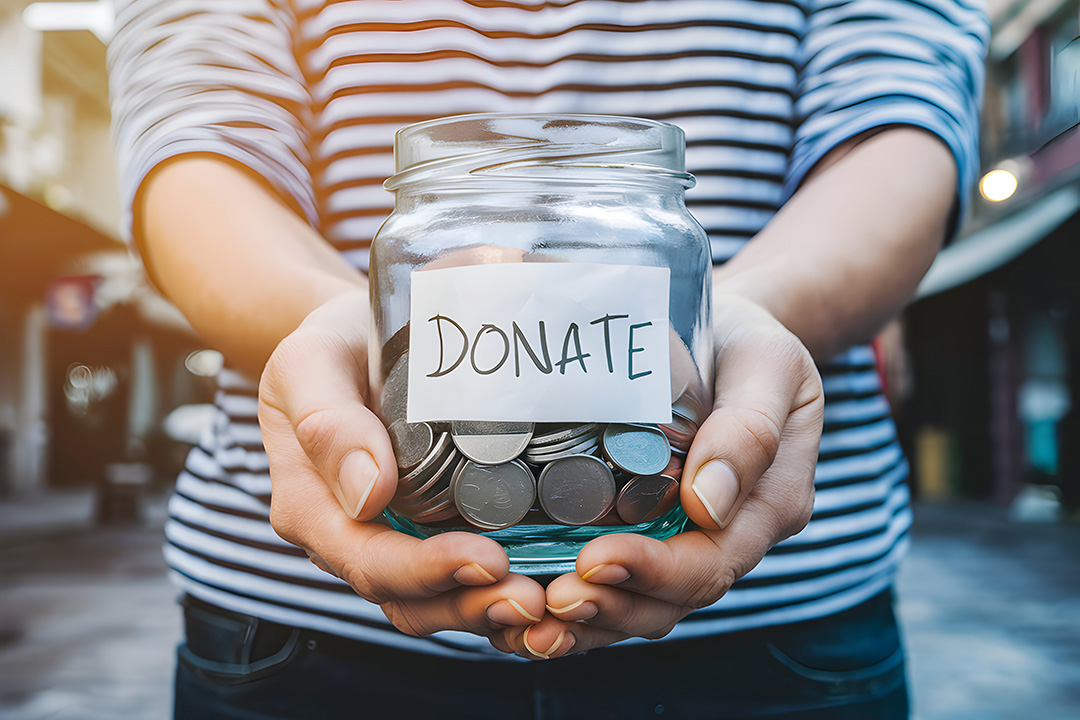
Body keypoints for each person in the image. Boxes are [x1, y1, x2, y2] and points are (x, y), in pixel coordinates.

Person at [108, 1, 988, 717]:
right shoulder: (406, 235)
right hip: (296, 627)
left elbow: (903, 115)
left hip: (780, 622)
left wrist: (745, 320)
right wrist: (340, 333)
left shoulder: (668, 232)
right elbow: (194, 134)